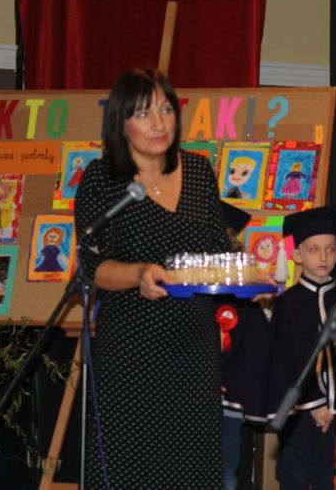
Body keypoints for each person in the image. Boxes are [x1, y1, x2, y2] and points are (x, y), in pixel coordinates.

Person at [74, 67, 230, 489]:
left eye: (166, 109)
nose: (159, 123)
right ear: (121, 123)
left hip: (194, 347)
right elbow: (93, 267)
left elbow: (218, 248)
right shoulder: (102, 180)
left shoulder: (198, 172)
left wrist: (255, 278)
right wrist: (139, 273)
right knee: (131, 469)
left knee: (191, 469)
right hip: (132, 349)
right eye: (143, 114)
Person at [267, 205, 336, 490]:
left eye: (330, 249)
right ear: (297, 255)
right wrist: (314, 404)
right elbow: (286, 357)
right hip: (299, 410)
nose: (323, 257)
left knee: (329, 477)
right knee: (295, 476)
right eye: (314, 250)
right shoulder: (288, 304)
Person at [218, 200, 271, 490]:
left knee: (225, 476)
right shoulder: (179, 290)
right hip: (183, 400)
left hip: (228, 405)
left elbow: (254, 352)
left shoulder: (243, 298)